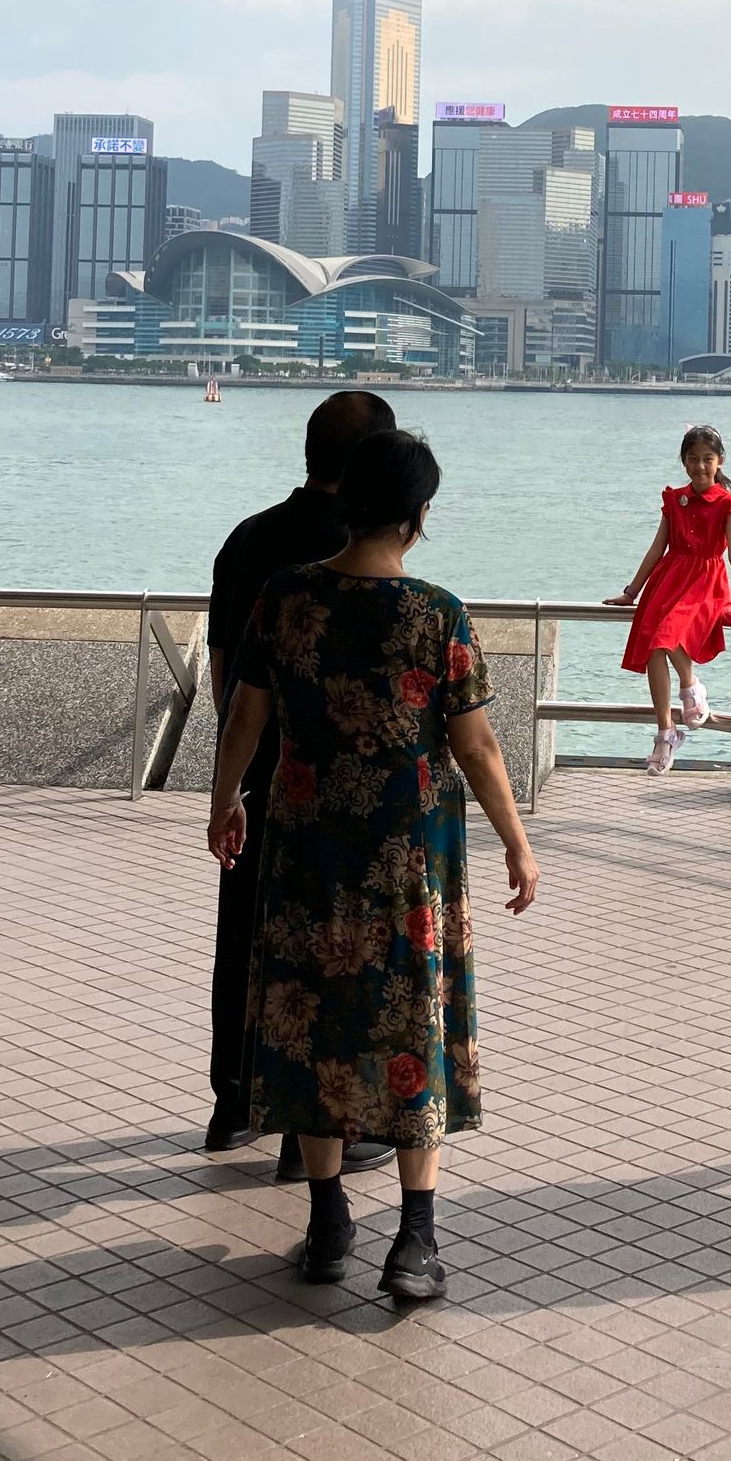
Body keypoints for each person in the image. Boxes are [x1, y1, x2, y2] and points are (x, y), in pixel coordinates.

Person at [207, 429, 539, 1303]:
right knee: (410, 1027)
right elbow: (477, 745)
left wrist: (223, 799)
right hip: (407, 865)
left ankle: (325, 1224)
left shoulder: (285, 599)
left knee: (310, 1020)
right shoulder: (437, 612)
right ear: (419, 513)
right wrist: (516, 838)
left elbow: (245, 717)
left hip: (308, 850)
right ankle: (415, 1241)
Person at [202, 387, 395, 1175]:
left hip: (253, 767)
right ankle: (312, 1126)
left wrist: (235, 767)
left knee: (244, 929)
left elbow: (224, 664)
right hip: (331, 787)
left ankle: (232, 1101)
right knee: (325, 951)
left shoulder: (247, 537)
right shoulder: (361, 548)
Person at [608, 424, 731, 775]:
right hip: (669, 578)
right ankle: (666, 730)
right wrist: (631, 592)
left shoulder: (727, 504)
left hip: (705, 582)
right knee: (653, 649)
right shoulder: (673, 500)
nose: (700, 466)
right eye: (692, 459)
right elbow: (656, 548)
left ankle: (690, 688)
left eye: (707, 459)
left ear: (719, 461)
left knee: (663, 638)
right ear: (683, 461)